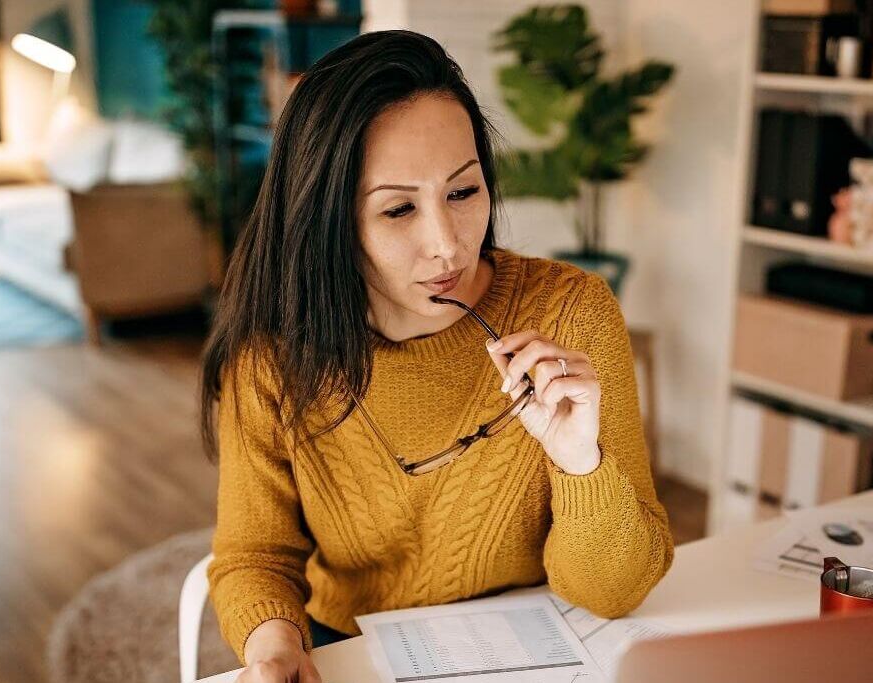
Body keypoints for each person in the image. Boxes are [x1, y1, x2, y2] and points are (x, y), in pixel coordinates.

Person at [200, 30, 674, 683]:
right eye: (398, 208)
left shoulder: (572, 314)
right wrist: (275, 650)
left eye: (462, 192)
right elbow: (255, 554)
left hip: (544, 643)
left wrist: (579, 460)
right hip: (351, 649)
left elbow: (614, 592)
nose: (447, 245)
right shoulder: (272, 360)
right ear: (328, 219)